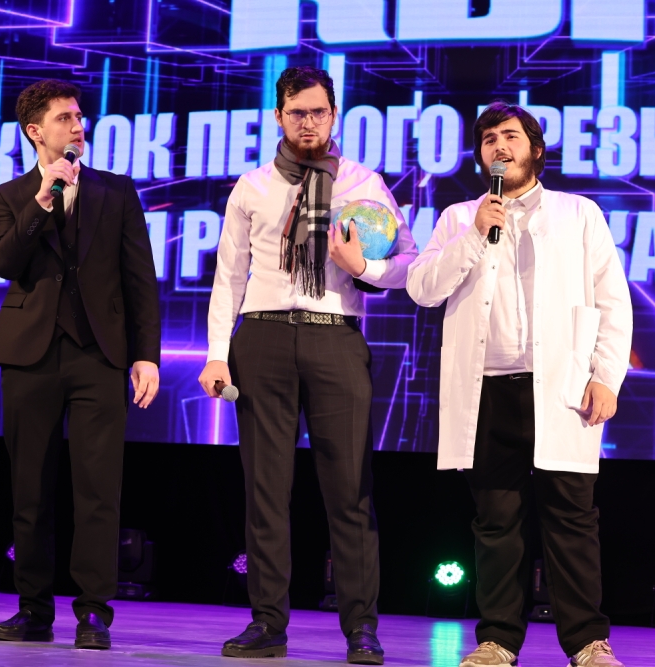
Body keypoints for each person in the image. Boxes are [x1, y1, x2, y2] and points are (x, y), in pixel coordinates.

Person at [198, 66, 418, 665]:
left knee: (350, 491)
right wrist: (217, 353)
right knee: (265, 490)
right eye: (297, 113)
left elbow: (407, 263)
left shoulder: (363, 182)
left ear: (333, 114)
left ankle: (361, 629)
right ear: (278, 116)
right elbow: (229, 275)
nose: (308, 123)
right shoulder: (253, 186)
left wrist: (362, 266)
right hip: (262, 337)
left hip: (334, 335)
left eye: (319, 111)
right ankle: (267, 622)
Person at [406, 102, 633, 667]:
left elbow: (613, 300)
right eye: (488, 139)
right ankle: (498, 640)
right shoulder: (460, 217)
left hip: (561, 389)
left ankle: (588, 642)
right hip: (487, 389)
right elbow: (422, 288)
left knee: (571, 520)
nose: (498, 146)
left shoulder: (579, 213)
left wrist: (607, 377)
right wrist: (473, 235)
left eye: (510, 135)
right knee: (496, 522)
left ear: (535, 148)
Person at [0, 79, 161, 650]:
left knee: (98, 490)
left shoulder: (117, 191)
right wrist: (42, 201)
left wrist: (145, 355)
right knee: (30, 489)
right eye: (65, 118)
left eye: (80, 116)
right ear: (35, 131)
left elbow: (140, 280)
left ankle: (94, 613)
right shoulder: (12, 195)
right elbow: (6, 262)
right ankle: (33, 609)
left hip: (98, 355)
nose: (78, 125)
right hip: (28, 356)